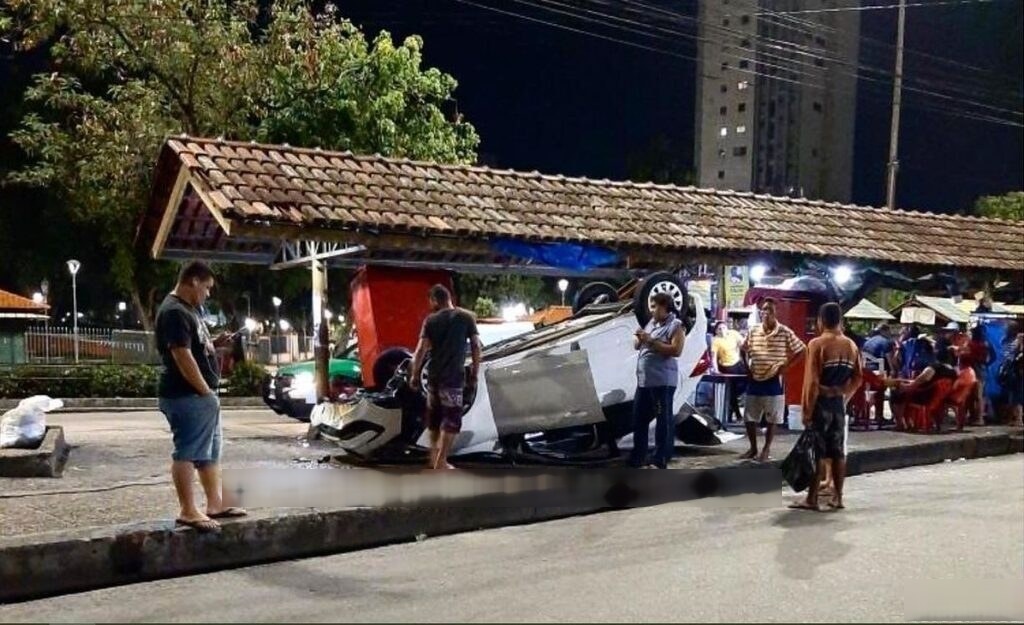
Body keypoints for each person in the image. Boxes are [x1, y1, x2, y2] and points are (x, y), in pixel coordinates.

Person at [155, 261, 246, 533]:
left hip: (199, 397)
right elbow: (181, 356)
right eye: (206, 288)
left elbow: (193, 348)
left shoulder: (189, 311)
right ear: (193, 281)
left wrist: (214, 343)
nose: (207, 294)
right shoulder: (174, 312)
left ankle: (214, 504)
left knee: (210, 453)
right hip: (186, 395)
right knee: (188, 451)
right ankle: (188, 510)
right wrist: (205, 392)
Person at [791, 302, 863, 511]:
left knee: (817, 452)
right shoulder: (851, 345)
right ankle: (838, 497)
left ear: (821, 321)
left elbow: (812, 382)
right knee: (838, 452)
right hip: (837, 405)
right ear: (840, 320)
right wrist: (842, 393)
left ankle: (812, 498)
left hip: (820, 404)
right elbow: (858, 377)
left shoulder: (817, 344)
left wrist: (807, 409)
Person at [410, 284, 482, 470]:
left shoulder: (430, 320)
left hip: (434, 377)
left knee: (434, 418)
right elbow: (476, 346)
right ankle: (442, 461)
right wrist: (475, 372)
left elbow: (420, 350)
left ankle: (434, 455)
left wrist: (415, 375)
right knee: (451, 420)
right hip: (453, 378)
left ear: (435, 300)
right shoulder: (466, 317)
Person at [742, 297, 806, 462]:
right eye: (763, 310)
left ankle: (766, 449)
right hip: (755, 377)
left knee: (773, 417)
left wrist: (786, 366)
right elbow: (743, 349)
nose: (765, 313)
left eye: (769, 310)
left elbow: (801, 350)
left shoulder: (784, 331)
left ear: (775, 313)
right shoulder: (754, 330)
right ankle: (753, 448)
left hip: (772, 380)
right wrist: (746, 367)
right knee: (750, 416)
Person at [629, 292, 685, 469]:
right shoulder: (651, 323)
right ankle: (638, 456)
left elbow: (676, 350)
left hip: (662, 382)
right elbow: (638, 345)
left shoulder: (676, 326)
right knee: (639, 419)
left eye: (655, 307)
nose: (652, 310)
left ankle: (661, 458)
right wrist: (639, 339)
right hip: (645, 381)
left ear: (664, 307)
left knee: (663, 420)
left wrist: (651, 341)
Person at [888, 339, 959, 430]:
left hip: (926, 396)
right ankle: (908, 423)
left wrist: (907, 385)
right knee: (901, 392)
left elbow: (921, 379)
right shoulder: (952, 371)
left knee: (896, 395)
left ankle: (900, 424)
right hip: (940, 397)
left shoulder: (934, 367)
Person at [957, 324, 995, 426]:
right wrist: (986, 363)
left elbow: (963, 357)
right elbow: (993, 357)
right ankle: (979, 418)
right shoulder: (987, 344)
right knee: (979, 396)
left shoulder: (970, 344)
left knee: (970, 395)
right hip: (981, 370)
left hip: (970, 371)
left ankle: (974, 417)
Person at [711, 320, 746, 422]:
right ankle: (737, 414)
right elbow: (714, 357)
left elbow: (743, 343)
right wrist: (716, 370)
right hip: (727, 367)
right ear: (716, 331)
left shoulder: (733, 334)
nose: (722, 330)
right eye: (719, 329)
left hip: (738, 364)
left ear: (727, 328)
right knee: (731, 393)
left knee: (745, 384)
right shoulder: (716, 341)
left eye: (723, 328)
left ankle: (735, 409)